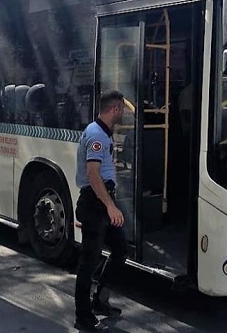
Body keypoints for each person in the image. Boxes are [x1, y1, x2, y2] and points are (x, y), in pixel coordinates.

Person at [74, 90, 127, 331]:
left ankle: (100, 301)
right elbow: (93, 174)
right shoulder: (97, 135)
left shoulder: (102, 133)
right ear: (114, 109)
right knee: (89, 260)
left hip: (102, 202)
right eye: (122, 109)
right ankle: (83, 316)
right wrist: (110, 206)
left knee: (120, 251)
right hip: (95, 204)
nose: (123, 113)